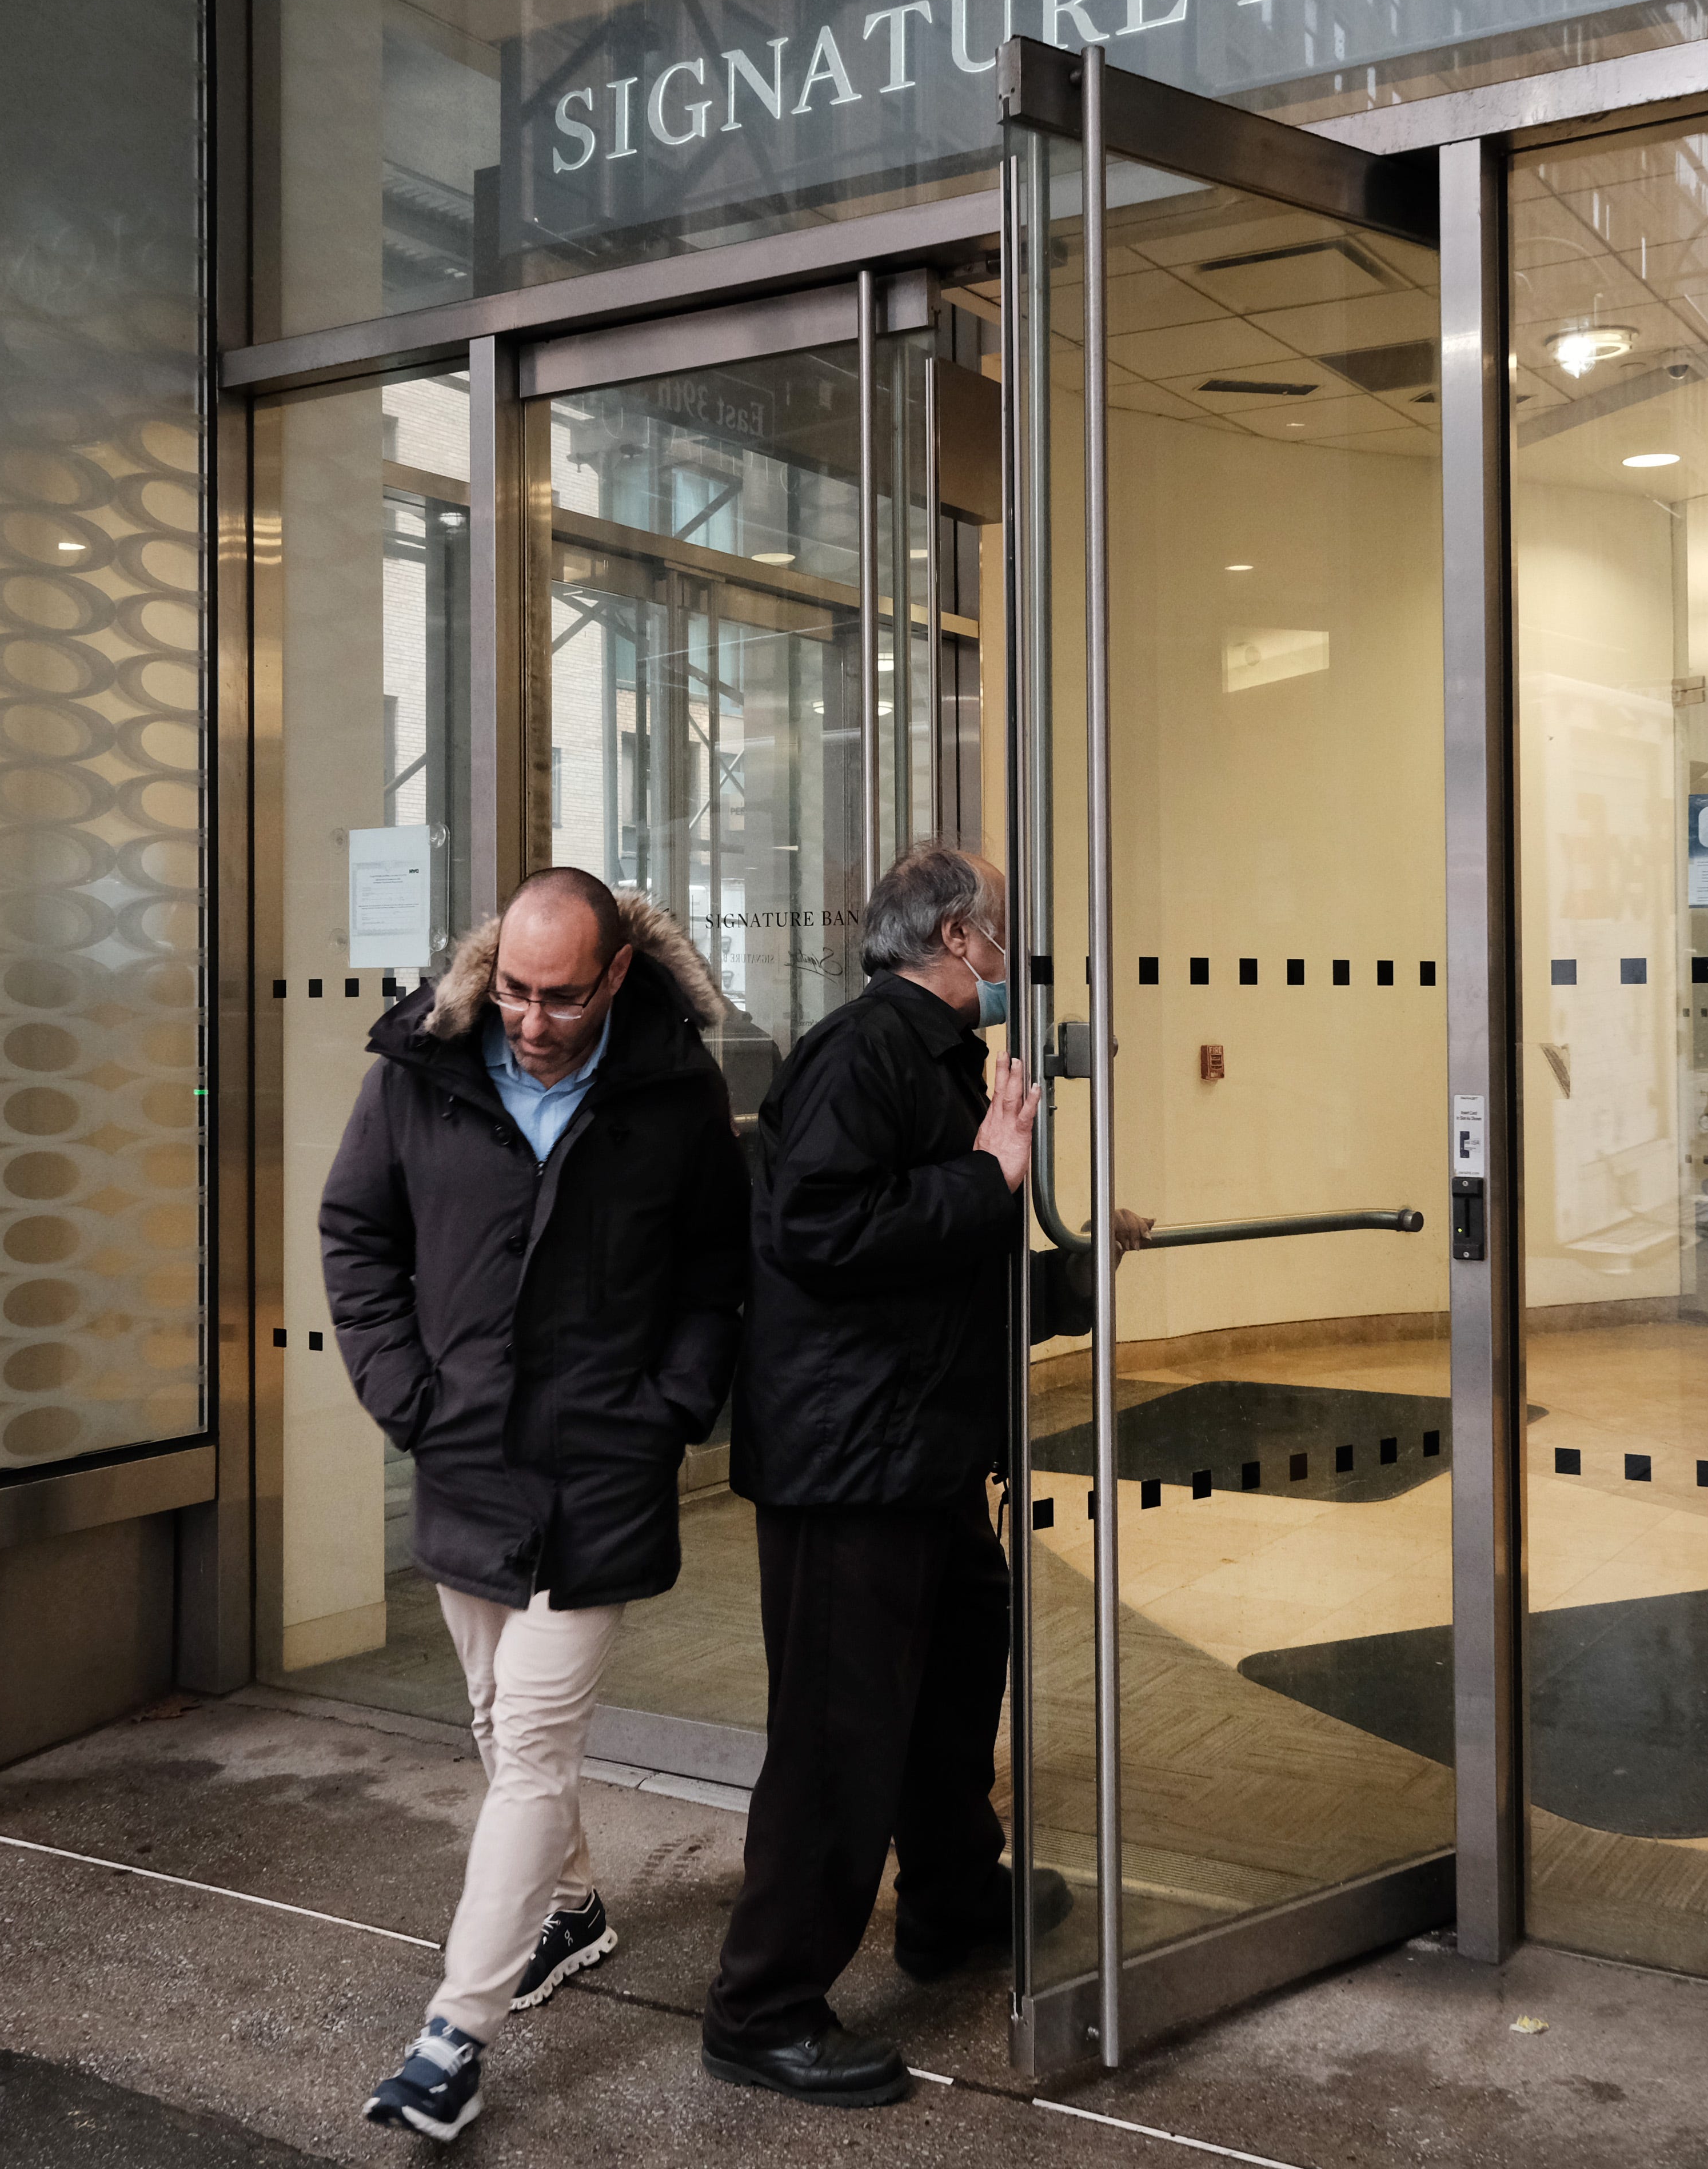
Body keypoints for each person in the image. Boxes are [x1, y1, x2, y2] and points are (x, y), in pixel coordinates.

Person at [702, 842, 1148, 2107]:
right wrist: (984, 1177)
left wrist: (1067, 1261)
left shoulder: (940, 1056)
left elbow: (942, 1262)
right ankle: (762, 2004)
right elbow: (819, 1233)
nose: (1013, 954)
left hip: (920, 1451)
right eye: (1003, 929)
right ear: (958, 937)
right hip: (852, 1467)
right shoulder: (861, 1052)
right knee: (838, 1742)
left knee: (956, 1679)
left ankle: (952, 1897)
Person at [322, 867, 749, 2142]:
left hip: (602, 1476)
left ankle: (454, 2034)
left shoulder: (674, 1090)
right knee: (494, 1716)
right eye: (513, 987)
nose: (531, 1017)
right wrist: (405, 1393)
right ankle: (570, 1908)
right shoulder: (421, 1067)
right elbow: (356, 1229)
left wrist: (669, 1405)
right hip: (462, 1457)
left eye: (561, 996)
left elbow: (715, 1272)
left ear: (615, 974)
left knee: (532, 1749)